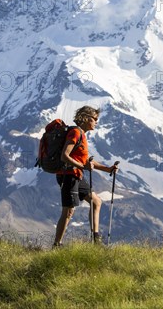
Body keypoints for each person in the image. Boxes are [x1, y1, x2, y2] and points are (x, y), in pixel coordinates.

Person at [53, 106, 118, 247]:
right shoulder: (76, 133)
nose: (96, 122)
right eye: (94, 119)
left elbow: (85, 160)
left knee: (96, 201)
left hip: (76, 175)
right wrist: (83, 167)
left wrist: (108, 169)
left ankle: (96, 240)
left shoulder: (81, 134)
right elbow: (65, 156)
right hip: (68, 176)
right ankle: (57, 245)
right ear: (86, 118)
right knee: (69, 211)